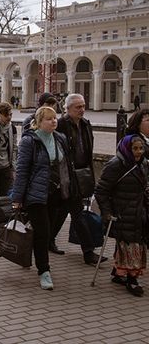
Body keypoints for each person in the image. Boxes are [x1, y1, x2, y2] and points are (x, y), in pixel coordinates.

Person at [12, 107, 72, 290]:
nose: (54, 121)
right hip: (36, 195)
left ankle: (30, 253)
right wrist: (17, 197)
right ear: (39, 121)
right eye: (49, 119)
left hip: (56, 193)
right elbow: (22, 171)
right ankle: (44, 271)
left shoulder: (59, 138)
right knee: (43, 232)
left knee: (46, 231)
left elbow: (66, 166)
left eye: (55, 118)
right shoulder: (29, 141)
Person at [95, 135, 148, 297]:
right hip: (123, 212)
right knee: (132, 245)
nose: (138, 152)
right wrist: (107, 212)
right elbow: (101, 191)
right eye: (135, 148)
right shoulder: (116, 165)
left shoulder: (143, 164)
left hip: (140, 212)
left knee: (133, 243)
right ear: (127, 148)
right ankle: (132, 280)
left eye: (141, 148)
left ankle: (119, 273)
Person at [55, 94, 102, 262]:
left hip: (83, 174)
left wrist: (90, 175)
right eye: (78, 107)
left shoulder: (86, 124)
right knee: (77, 213)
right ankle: (88, 252)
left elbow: (88, 150)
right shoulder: (60, 125)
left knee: (62, 210)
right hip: (67, 177)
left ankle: (47, 240)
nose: (82, 110)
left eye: (83, 106)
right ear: (67, 109)